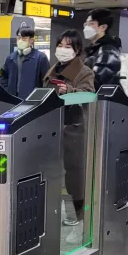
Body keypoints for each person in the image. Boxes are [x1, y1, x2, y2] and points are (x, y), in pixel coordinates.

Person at [44, 30, 95, 239]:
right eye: (60, 45)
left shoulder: (85, 71)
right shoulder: (53, 68)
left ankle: (78, 218)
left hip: (74, 128)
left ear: (77, 50)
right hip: (53, 127)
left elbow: (87, 95)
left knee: (75, 176)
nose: (62, 50)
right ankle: (62, 213)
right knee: (55, 174)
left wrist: (69, 91)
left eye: (68, 46)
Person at [0, 24, 50, 98]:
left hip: (32, 101)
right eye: (18, 38)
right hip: (13, 100)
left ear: (31, 40)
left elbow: (46, 82)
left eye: (24, 39)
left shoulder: (40, 58)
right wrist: (7, 91)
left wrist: (39, 98)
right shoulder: (11, 58)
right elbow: (3, 76)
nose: (20, 41)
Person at [84, 8, 123, 88]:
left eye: (91, 24)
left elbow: (98, 79)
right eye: (86, 24)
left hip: (103, 99)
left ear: (103, 27)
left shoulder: (108, 51)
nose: (86, 27)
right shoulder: (94, 49)